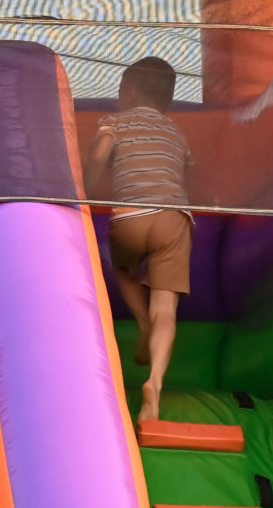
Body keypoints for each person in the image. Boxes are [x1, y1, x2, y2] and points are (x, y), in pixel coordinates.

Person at [82, 57, 192, 426]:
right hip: (174, 218)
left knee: (124, 268)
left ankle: (142, 322)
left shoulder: (116, 122)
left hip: (131, 216)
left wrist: (84, 190)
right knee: (167, 310)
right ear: (168, 101)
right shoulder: (176, 133)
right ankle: (154, 384)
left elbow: (100, 153)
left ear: (127, 91)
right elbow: (187, 177)